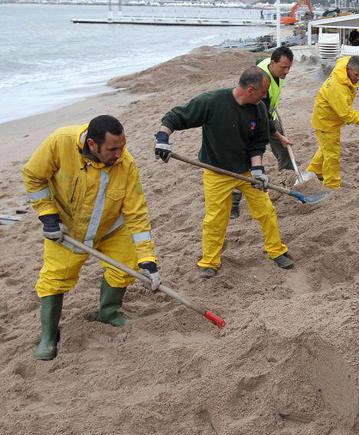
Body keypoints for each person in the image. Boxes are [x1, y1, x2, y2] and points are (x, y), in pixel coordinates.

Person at [22, 115, 161, 360]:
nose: (120, 154)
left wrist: (147, 259)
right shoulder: (60, 142)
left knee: (123, 268)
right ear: (93, 145)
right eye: (113, 149)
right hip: (67, 229)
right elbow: (33, 177)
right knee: (55, 278)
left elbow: (137, 214)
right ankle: (48, 336)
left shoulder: (125, 164)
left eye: (122, 146)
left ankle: (108, 312)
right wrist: (48, 216)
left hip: (111, 229)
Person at [154, 66, 294, 277]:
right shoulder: (212, 101)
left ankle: (276, 251)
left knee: (266, 211)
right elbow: (176, 116)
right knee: (215, 218)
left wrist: (258, 170)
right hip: (216, 171)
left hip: (246, 172)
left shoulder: (260, 109)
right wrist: (162, 139)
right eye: (262, 92)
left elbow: (258, 143)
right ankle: (210, 261)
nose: (265, 96)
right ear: (249, 89)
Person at [231, 46, 296, 219]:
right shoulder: (260, 84)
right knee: (244, 160)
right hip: (252, 119)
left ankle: (288, 180)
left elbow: (267, 114)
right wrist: (279, 135)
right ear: (273, 63)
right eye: (283, 67)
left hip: (269, 115)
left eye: (289, 67)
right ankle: (234, 203)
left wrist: (278, 131)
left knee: (284, 150)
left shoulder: (271, 65)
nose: (287, 71)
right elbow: (263, 118)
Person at [304, 55, 359, 190]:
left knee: (326, 146)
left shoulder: (344, 64)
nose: (357, 78)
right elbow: (346, 115)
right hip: (326, 121)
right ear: (348, 69)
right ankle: (332, 185)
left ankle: (314, 171)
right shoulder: (338, 87)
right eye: (355, 75)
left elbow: (352, 58)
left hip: (328, 119)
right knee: (332, 154)